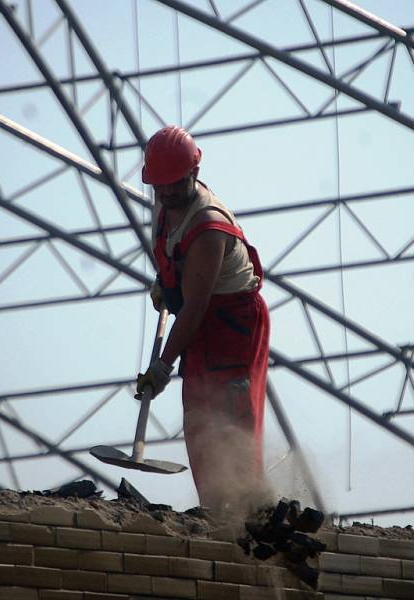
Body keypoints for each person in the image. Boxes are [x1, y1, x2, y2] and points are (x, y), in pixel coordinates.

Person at [135, 125, 271, 513]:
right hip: (200, 318)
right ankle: (216, 509)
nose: (166, 192)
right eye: (159, 185)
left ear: (193, 173)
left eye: (175, 184)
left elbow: (195, 308)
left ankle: (249, 511)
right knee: (199, 415)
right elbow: (175, 265)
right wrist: (166, 283)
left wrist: (161, 367)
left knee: (229, 411)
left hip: (232, 326)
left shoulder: (208, 227)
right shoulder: (164, 199)